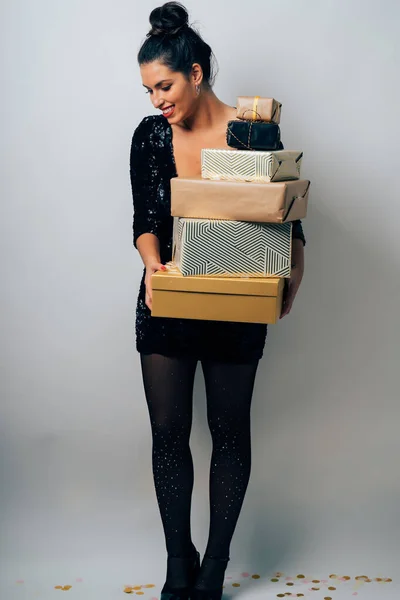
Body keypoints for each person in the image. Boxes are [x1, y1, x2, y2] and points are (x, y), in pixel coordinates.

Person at [129, 3, 305, 599]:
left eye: (166, 85)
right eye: (150, 88)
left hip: (234, 304)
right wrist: (154, 267)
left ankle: (215, 566)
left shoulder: (253, 130)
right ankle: (179, 558)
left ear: (197, 74)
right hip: (169, 300)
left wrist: (290, 279)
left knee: (230, 432)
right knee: (168, 432)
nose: (157, 99)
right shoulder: (151, 135)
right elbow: (146, 220)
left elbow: (285, 222)